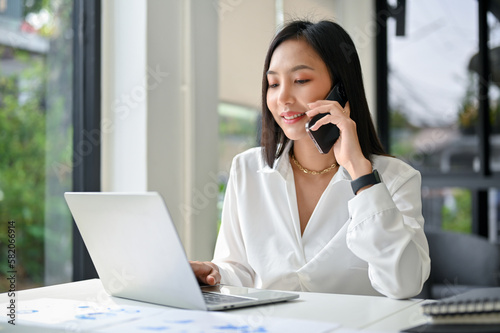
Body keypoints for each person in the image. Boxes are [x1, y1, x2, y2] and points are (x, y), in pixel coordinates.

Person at [191, 19, 430, 299]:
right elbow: (239, 268)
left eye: (301, 81)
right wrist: (214, 272)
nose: (283, 98)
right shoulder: (247, 168)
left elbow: (403, 284)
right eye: (273, 83)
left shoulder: (396, 178)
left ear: (340, 90)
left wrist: (361, 174)